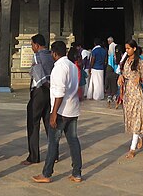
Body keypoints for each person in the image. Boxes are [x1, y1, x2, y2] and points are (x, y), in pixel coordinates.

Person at [32, 40, 82, 183]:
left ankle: (47, 173)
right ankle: (77, 173)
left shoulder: (59, 68)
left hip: (61, 111)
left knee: (53, 142)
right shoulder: (72, 66)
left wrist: (53, 114)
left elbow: (59, 93)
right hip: (72, 108)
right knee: (73, 141)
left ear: (54, 53)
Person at [23, 33, 54, 166]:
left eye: (32, 45)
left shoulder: (37, 56)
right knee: (48, 122)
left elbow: (39, 75)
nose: (32, 48)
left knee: (33, 122)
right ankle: (54, 153)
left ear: (36, 45)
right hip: (50, 91)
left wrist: (45, 83)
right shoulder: (51, 56)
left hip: (40, 90)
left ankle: (34, 156)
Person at [118, 39, 143, 158]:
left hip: (136, 92)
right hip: (127, 92)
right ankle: (140, 135)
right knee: (130, 117)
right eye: (126, 48)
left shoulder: (139, 62)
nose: (127, 50)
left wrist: (140, 78)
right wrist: (120, 78)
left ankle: (132, 148)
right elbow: (123, 73)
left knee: (136, 117)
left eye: (129, 48)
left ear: (134, 48)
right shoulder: (125, 61)